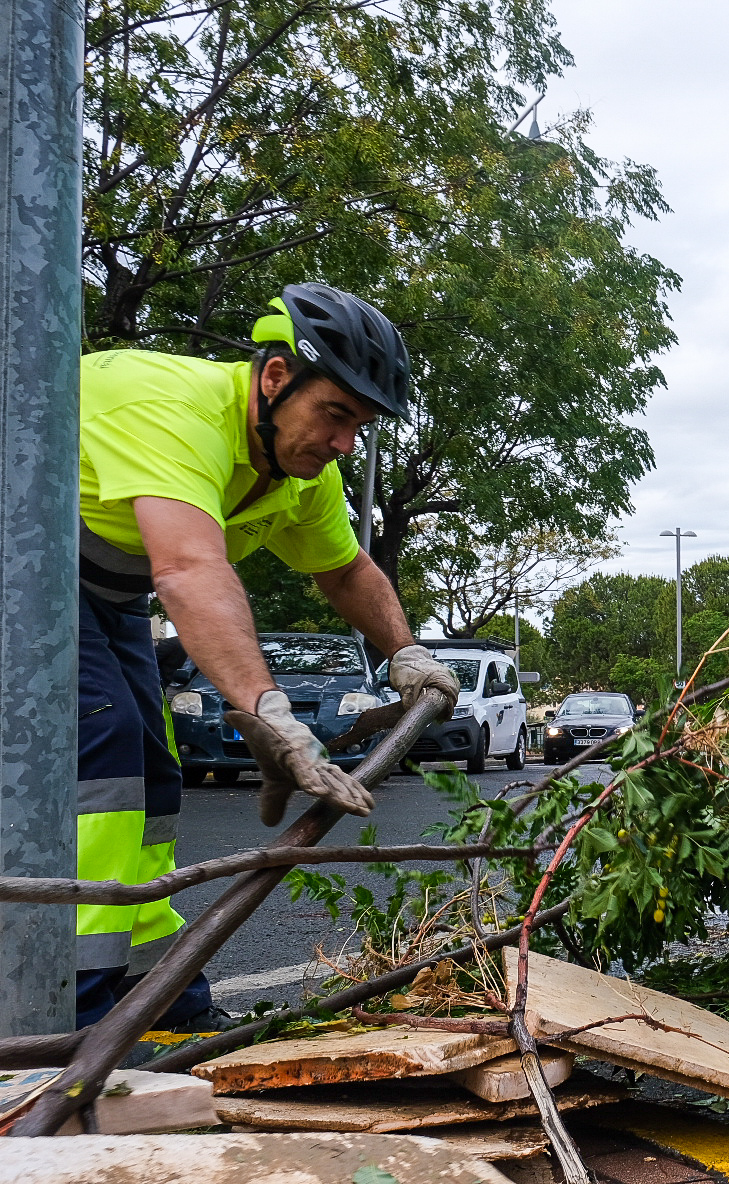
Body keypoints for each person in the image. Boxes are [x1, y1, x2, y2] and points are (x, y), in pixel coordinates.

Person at [76, 283, 460, 1029]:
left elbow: (345, 571)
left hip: (104, 590)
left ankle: (156, 1002)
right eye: (337, 414)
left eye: (363, 425)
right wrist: (269, 712)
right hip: (24, 567)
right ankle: (71, 1020)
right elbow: (189, 571)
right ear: (277, 377)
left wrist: (407, 653)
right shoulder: (174, 408)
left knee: (151, 782)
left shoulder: (297, 473)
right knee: (100, 754)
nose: (346, 442)